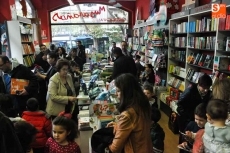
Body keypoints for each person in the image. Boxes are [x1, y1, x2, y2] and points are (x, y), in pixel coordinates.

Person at [107, 73, 153, 153]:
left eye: (118, 91)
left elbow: (115, 148)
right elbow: (136, 130)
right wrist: (117, 126)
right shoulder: (143, 105)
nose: (115, 94)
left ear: (126, 92)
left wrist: (104, 144)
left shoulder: (128, 115)